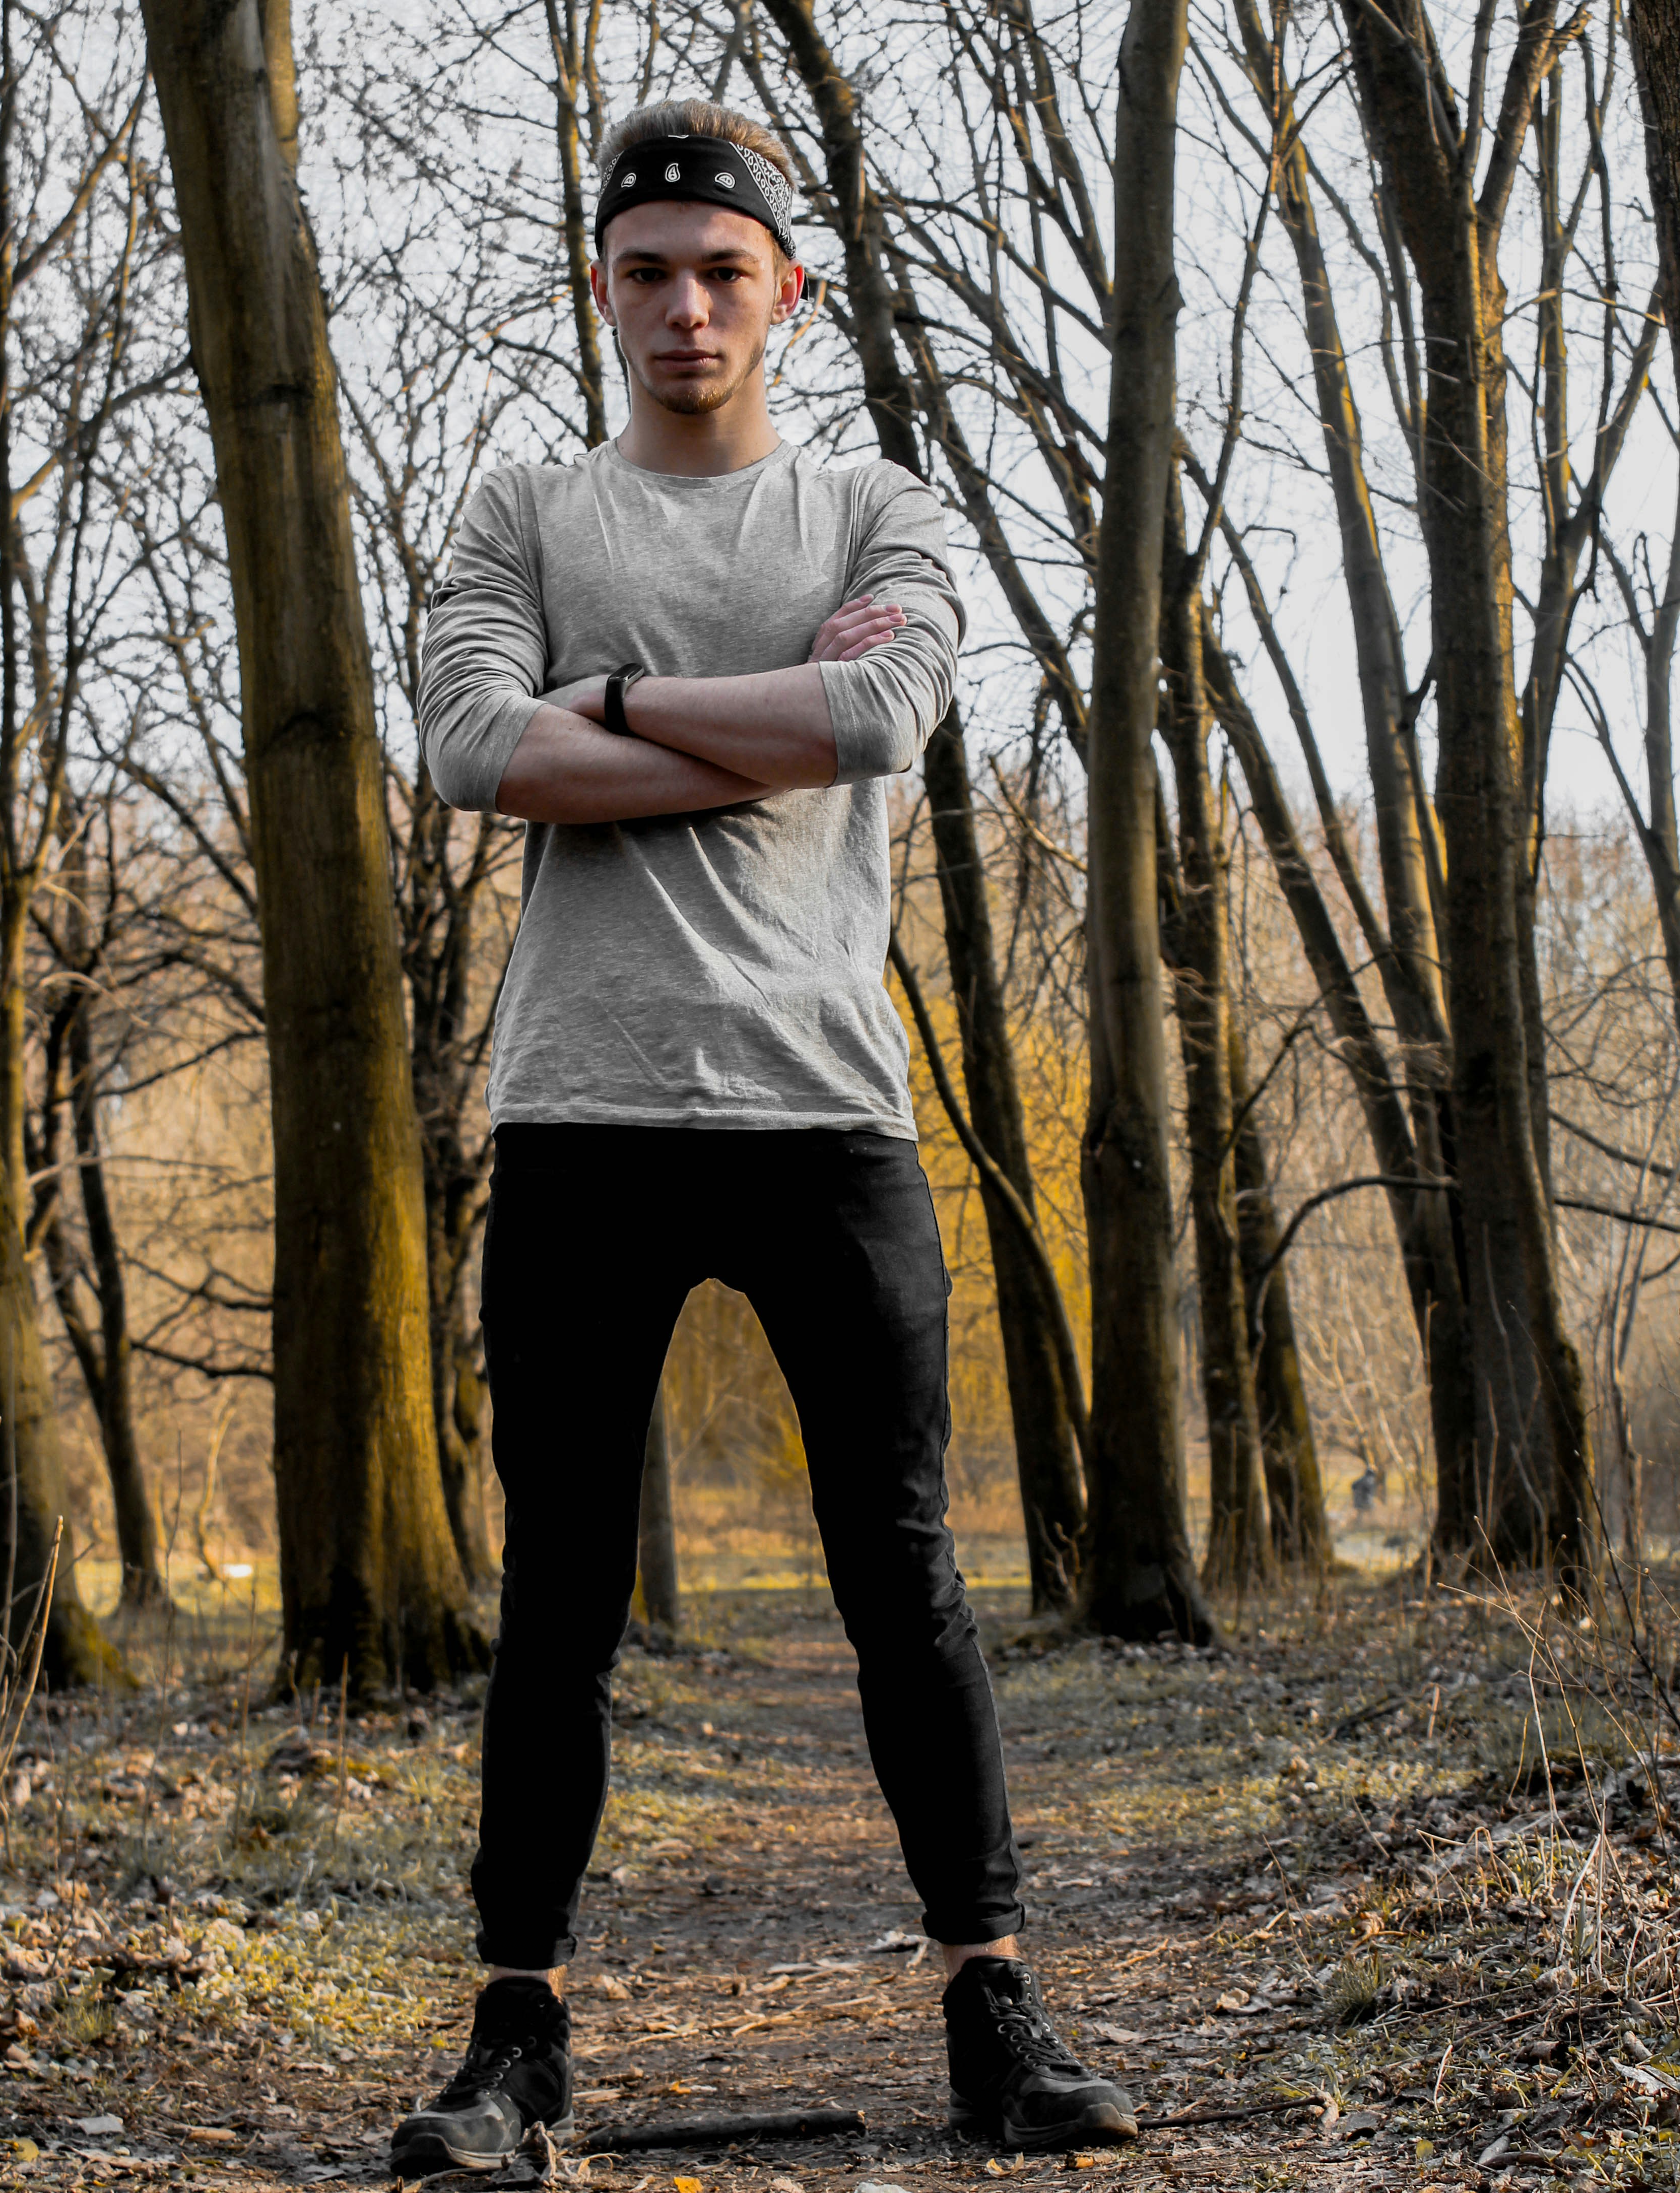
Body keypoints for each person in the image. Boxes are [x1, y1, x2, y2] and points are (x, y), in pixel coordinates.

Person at [392, 95, 1137, 2177]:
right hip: (580, 1114)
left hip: (826, 1109)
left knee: (902, 1570)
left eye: (723, 269)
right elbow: (471, 745)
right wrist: (716, 708)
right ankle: (513, 2045)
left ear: (785, 291)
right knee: (554, 1588)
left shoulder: (875, 509)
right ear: (603, 289)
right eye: (647, 270)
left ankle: (997, 2010)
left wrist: (607, 711)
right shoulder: (524, 509)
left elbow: (881, 718)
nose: (684, 304)